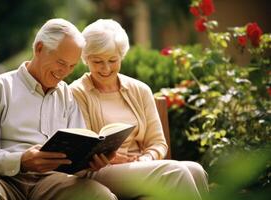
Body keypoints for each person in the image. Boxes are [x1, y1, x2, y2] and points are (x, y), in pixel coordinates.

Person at [0, 18, 118, 200]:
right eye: (61, 62)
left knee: (100, 196)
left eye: (72, 66)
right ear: (39, 48)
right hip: (1, 179)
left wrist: (90, 162)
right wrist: (20, 161)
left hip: (50, 182)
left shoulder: (66, 95)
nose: (65, 72)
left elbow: (78, 151)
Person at [70, 19, 209, 200]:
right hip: (101, 171)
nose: (106, 68)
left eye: (113, 60)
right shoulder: (76, 92)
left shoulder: (140, 89)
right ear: (86, 59)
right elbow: (82, 149)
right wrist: (108, 157)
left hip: (141, 165)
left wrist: (147, 159)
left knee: (196, 170)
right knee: (176, 171)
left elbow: (158, 142)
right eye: (97, 61)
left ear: (121, 56)